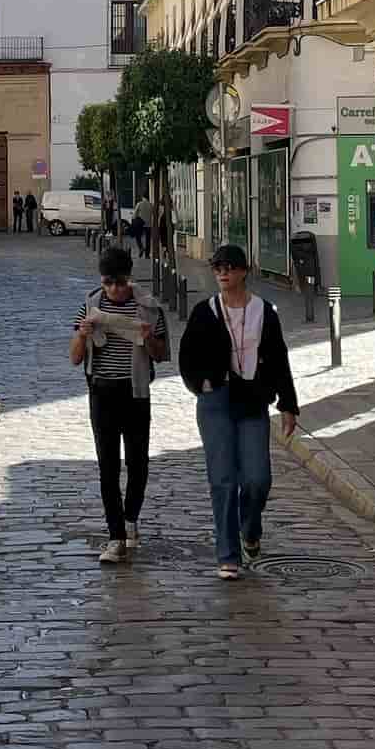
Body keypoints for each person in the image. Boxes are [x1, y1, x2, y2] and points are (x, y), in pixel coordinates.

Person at [178, 244, 298, 580]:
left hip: (252, 401)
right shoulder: (206, 311)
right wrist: (199, 384)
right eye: (217, 268)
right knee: (224, 480)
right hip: (216, 401)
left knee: (258, 478)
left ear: (244, 271)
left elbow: (279, 359)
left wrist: (288, 404)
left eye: (229, 267)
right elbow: (187, 355)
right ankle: (228, 554)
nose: (223, 273)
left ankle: (250, 529)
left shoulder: (264, 312)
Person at [71, 245, 168, 565]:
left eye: (120, 282)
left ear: (130, 278)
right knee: (107, 466)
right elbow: (74, 358)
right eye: (108, 282)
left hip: (136, 392)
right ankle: (116, 537)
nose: (114, 289)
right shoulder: (90, 305)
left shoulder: (148, 309)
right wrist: (83, 335)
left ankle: (131, 518)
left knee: (138, 463)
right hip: (101, 392)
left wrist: (148, 336)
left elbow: (162, 354)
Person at [132, 193, 153, 260]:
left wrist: (134, 220)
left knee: (137, 236)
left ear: (143, 197)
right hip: (148, 224)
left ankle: (141, 247)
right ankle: (147, 255)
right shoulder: (150, 205)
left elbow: (135, 214)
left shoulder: (139, 204)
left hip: (140, 224)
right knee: (148, 239)